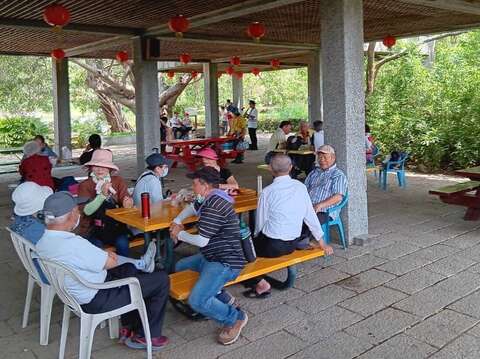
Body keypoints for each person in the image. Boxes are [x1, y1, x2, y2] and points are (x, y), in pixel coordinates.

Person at [35, 191, 169, 350]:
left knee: (129, 267)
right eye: (77, 209)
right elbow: (111, 262)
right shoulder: (74, 244)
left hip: (78, 293)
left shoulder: (42, 242)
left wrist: (105, 256)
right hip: (97, 298)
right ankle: (148, 337)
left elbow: (104, 261)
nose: (79, 212)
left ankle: (129, 326)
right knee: (161, 279)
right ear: (71, 214)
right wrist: (106, 256)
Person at [170, 167, 248, 345]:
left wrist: (178, 234)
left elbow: (201, 241)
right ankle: (220, 295)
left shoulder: (215, 205)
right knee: (180, 267)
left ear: (204, 185)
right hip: (211, 256)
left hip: (225, 262)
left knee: (197, 300)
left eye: (194, 184)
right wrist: (177, 221)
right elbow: (192, 207)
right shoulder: (209, 197)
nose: (192, 187)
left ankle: (234, 318)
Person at [245, 154, 333, 298]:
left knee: (242, 247)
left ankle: (260, 283)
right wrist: (322, 242)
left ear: (270, 169)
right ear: (291, 168)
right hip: (292, 244)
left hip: (272, 246)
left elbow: (260, 224)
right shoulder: (300, 187)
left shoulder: (267, 192)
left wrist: (254, 240)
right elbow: (310, 215)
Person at [78, 149, 134, 256]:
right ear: (91, 167)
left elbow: (125, 200)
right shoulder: (85, 185)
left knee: (122, 243)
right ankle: (104, 272)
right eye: (96, 166)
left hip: (116, 227)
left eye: (104, 166)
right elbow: (87, 211)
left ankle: (125, 270)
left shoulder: (117, 181)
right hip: (92, 229)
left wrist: (128, 204)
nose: (100, 170)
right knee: (97, 250)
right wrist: (102, 195)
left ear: (110, 169)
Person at [10, 182, 53, 283]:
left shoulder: (20, 220)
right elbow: (55, 251)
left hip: (34, 267)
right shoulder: (38, 231)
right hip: (49, 274)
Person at [304, 145, 347, 226]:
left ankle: (305, 238)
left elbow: (338, 197)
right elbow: (304, 189)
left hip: (325, 210)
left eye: (325, 157)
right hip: (308, 207)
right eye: (319, 157)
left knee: (308, 225)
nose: (322, 160)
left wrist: (319, 205)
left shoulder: (338, 175)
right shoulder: (314, 172)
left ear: (333, 158)